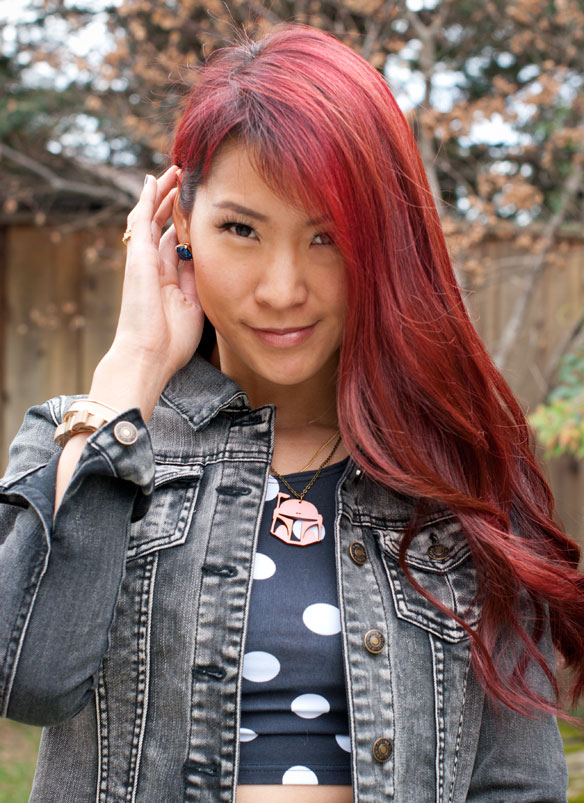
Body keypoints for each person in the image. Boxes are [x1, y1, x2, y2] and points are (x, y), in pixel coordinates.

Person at [1, 22, 583, 803]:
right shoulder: (84, 436)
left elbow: (518, 784)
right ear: (179, 228)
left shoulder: (460, 475)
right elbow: (27, 680)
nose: (282, 287)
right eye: (241, 229)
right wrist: (132, 368)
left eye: (327, 237)